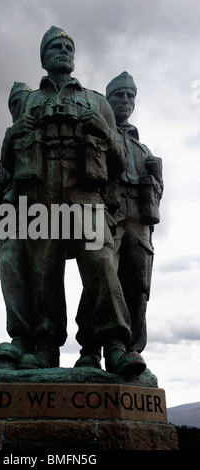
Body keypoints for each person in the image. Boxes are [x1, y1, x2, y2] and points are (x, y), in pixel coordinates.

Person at [0, 27, 146, 375]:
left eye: (68, 45)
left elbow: (120, 164)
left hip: (86, 198)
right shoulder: (30, 101)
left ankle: (115, 346)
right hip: (41, 196)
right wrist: (9, 139)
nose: (63, 49)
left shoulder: (96, 101)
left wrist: (108, 135)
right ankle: (46, 347)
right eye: (55, 46)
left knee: (100, 265)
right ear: (43, 57)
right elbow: (9, 162)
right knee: (43, 272)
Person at [105, 71, 163, 353]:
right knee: (103, 277)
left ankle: (132, 350)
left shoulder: (143, 149)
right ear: (108, 100)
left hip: (139, 219)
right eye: (119, 95)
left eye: (131, 96)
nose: (126, 101)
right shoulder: (99, 135)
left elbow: (157, 196)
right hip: (107, 213)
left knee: (139, 285)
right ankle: (94, 349)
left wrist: (156, 178)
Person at [0, 82, 34, 369]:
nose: (20, 107)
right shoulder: (11, 138)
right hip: (14, 216)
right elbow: (4, 174)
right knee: (11, 264)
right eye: (15, 104)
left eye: (24, 101)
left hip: (54, 211)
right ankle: (20, 338)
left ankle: (89, 346)